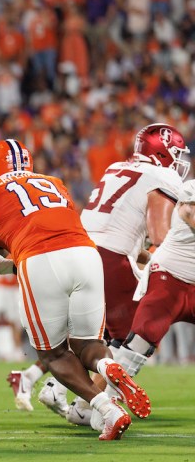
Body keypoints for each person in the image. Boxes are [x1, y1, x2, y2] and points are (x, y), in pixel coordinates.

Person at [0, 138, 151, 440]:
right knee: (88, 346)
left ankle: (108, 410)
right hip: (86, 254)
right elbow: (40, 229)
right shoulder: (54, 183)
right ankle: (107, 366)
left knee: (54, 354)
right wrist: (7, 260)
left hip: (40, 261)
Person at [7, 124, 188, 417]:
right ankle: (87, 405)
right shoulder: (162, 176)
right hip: (110, 258)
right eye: (175, 153)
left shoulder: (117, 168)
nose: (178, 161)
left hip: (80, 250)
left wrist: (139, 257)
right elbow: (159, 235)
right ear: (162, 151)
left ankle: (58, 385)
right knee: (137, 335)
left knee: (92, 336)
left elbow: (112, 229)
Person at [71, 179, 195, 430]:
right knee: (140, 340)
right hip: (169, 278)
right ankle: (102, 406)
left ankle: (91, 406)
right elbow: (188, 212)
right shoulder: (190, 191)